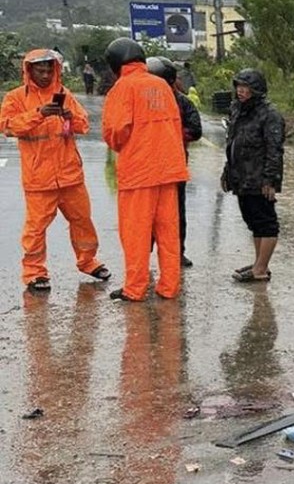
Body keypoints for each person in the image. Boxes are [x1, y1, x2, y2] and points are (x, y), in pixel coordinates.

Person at [0, 49, 113, 293]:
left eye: (49, 70)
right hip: (39, 179)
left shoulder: (64, 94)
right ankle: (34, 273)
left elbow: (83, 125)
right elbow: (8, 127)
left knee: (83, 222)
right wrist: (39, 114)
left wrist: (70, 116)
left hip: (70, 176)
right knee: (35, 230)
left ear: (55, 70)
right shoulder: (16, 97)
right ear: (29, 71)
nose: (45, 74)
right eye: (40, 70)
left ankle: (88, 262)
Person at [101, 37, 189, 301]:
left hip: (139, 173)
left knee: (136, 233)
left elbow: (116, 132)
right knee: (168, 233)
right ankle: (169, 286)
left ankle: (135, 288)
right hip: (169, 170)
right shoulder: (162, 86)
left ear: (115, 63)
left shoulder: (122, 88)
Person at [223, 68, 284, 283]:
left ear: (256, 90)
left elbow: (274, 149)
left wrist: (271, 179)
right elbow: (232, 142)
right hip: (242, 177)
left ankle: (260, 268)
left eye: (245, 87)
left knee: (266, 222)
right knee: (253, 221)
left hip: (260, 177)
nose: (240, 91)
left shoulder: (270, 115)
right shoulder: (238, 110)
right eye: (238, 86)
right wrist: (227, 171)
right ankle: (259, 262)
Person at [147, 56, 202, 268]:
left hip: (174, 166)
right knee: (145, 214)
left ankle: (177, 252)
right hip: (146, 166)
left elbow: (195, 130)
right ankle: (144, 252)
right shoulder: (145, 101)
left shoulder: (182, 102)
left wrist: (171, 134)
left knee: (175, 212)